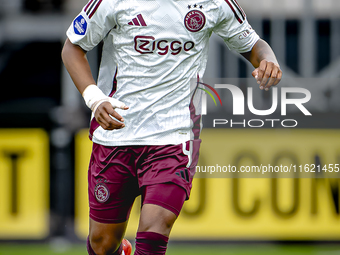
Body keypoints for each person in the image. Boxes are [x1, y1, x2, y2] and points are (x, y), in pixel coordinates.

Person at [62, 0, 282, 254]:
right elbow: (72, 48)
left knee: (156, 226)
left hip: (174, 137)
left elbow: (254, 45)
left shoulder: (215, 4)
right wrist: (95, 99)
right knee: (102, 244)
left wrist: (268, 60)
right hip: (116, 135)